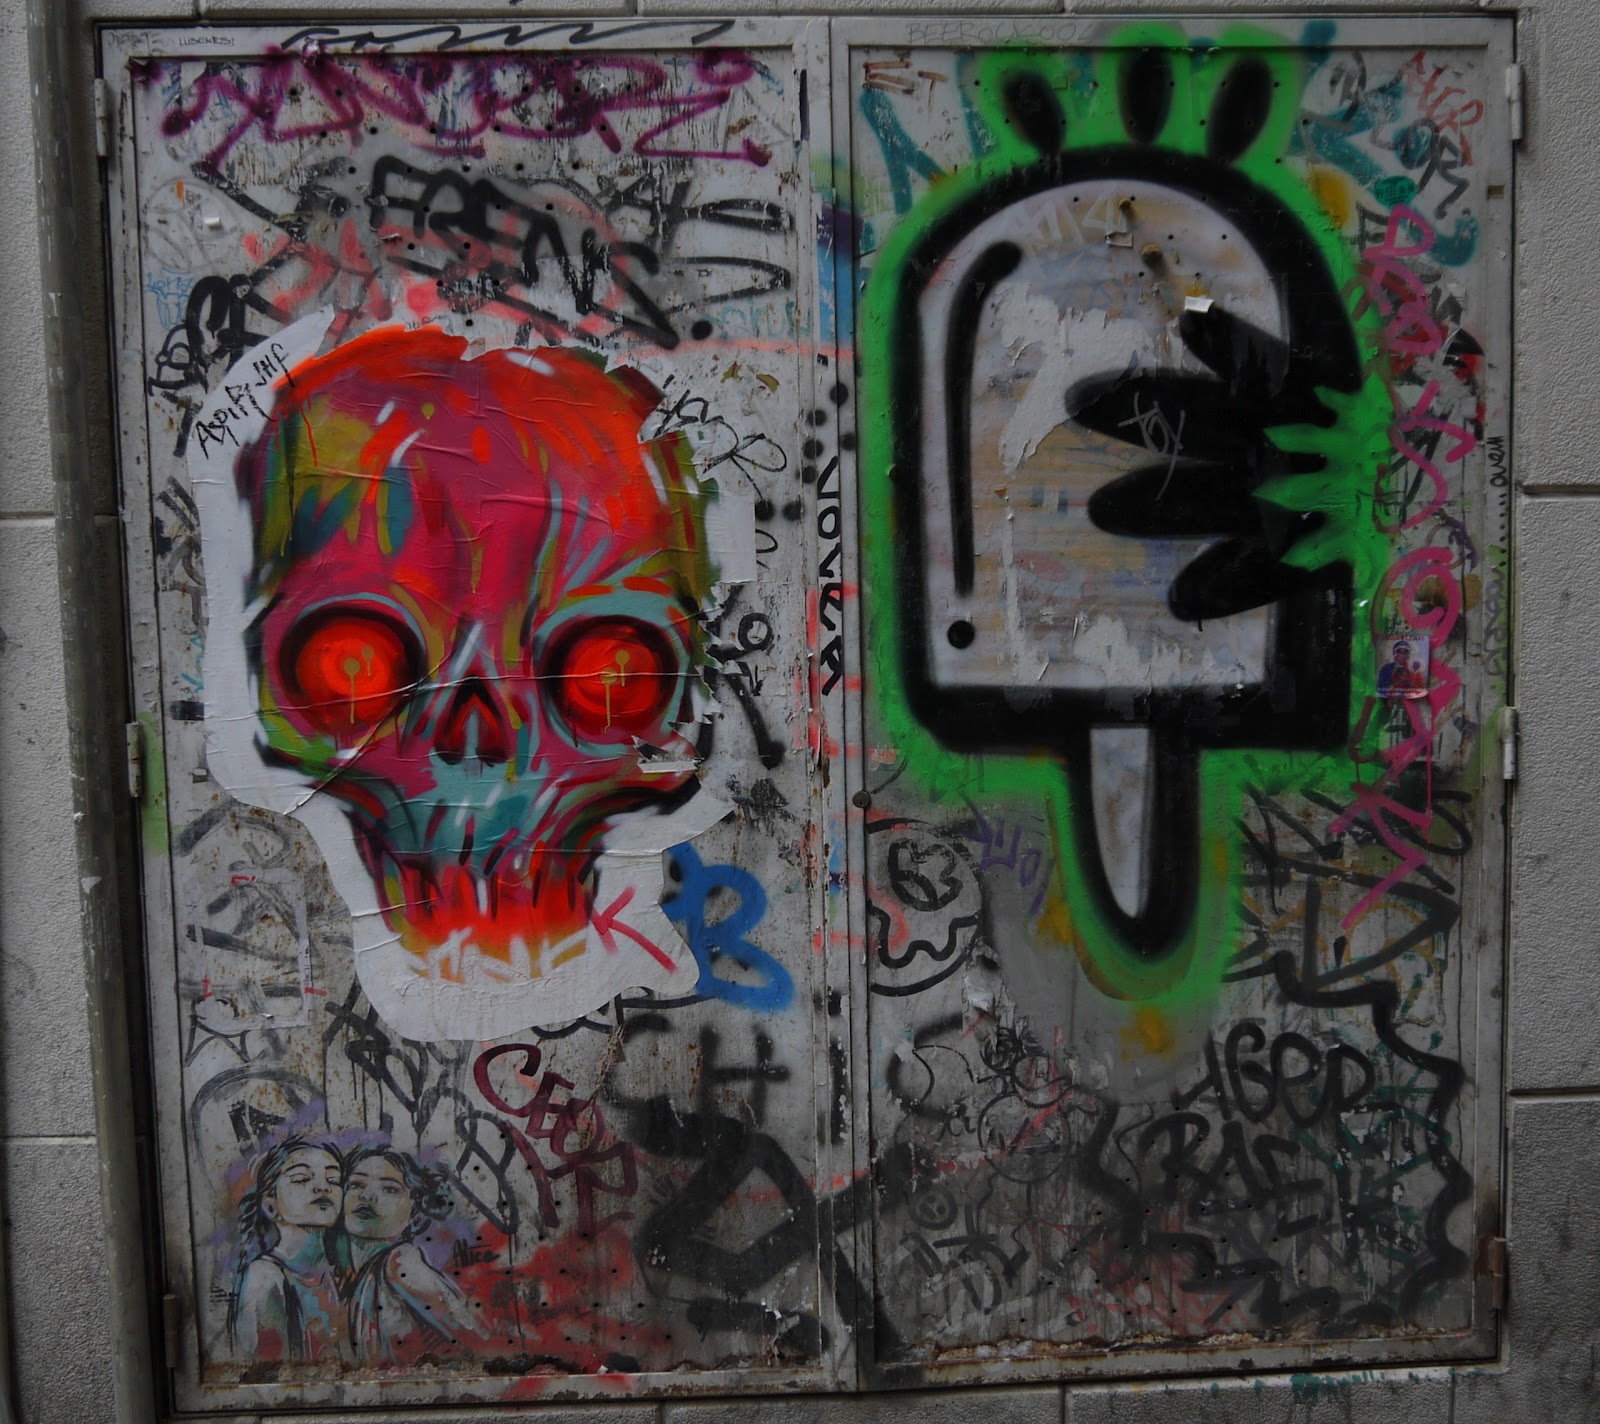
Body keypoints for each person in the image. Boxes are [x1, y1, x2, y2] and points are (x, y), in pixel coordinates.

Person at [339, 1146, 487, 1363]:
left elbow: (470, 1339)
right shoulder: (365, 1273)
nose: (366, 1195)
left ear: (414, 1213)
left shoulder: (400, 1264)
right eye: (356, 1184)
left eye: (389, 1189)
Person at [230, 1137, 349, 1362]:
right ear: (270, 1206)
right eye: (301, 1179)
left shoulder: (336, 1274)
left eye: (333, 1180)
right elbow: (269, 1367)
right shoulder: (265, 1276)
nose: (323, 1187)